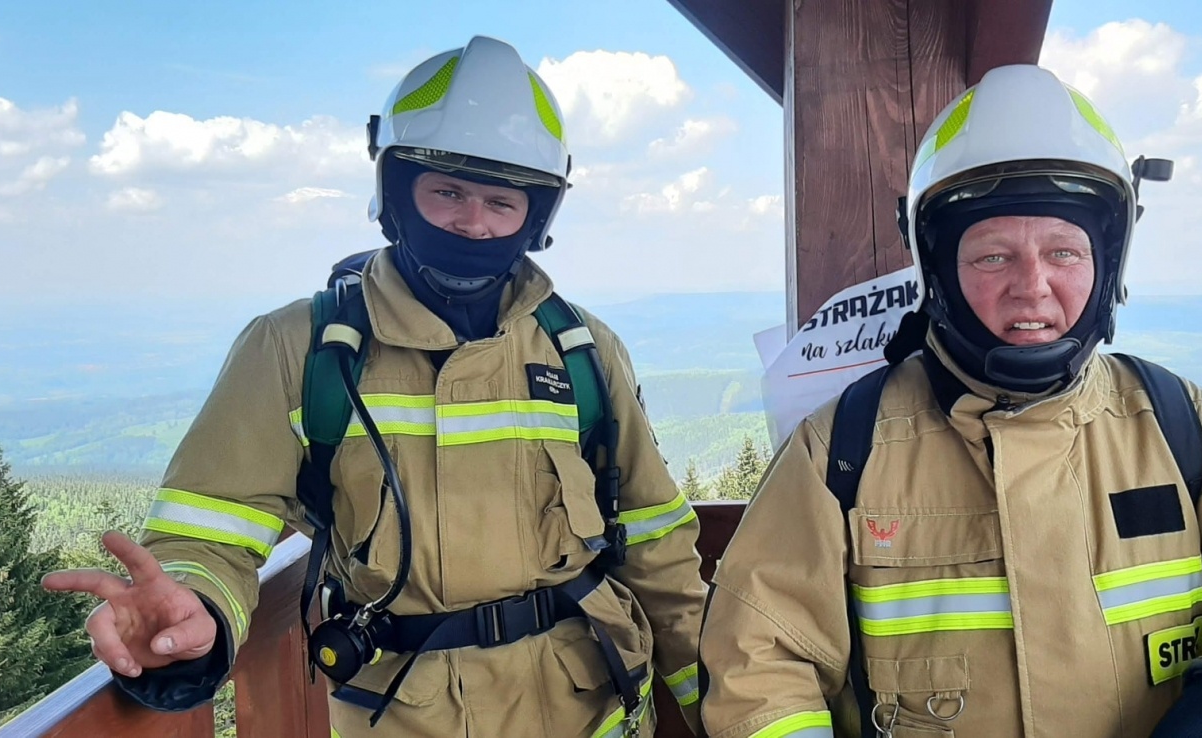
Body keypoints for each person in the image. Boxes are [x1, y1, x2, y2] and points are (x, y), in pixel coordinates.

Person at [697, 65, 1202, 738]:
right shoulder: (843, 448)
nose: (1031, 287)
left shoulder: (1175, 422)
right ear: (937, 272)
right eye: (992, 256)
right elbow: (758, 664)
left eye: (1063, 253)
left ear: (1107, 266)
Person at [42, 35, 708, 738]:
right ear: (396, 191)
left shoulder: (584, 351)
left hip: (588, 712)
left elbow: (658, 546)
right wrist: (193, 615)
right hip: (406, 718)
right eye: (447, 191)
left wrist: (720, 711)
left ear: (535, 216)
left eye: (500, 201)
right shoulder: (295, 347)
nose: (472, 222)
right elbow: (212, 534)